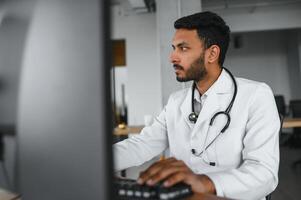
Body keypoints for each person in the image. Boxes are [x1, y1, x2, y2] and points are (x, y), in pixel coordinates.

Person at [113, 11, 280, 200]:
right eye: (174, 48)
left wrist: (205, 183)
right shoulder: (177, 101)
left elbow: (264, 174)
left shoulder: (256, 95)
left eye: (183, 48)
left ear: (212, 53)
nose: (172, 57)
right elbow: (142, 145)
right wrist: (94, 162)